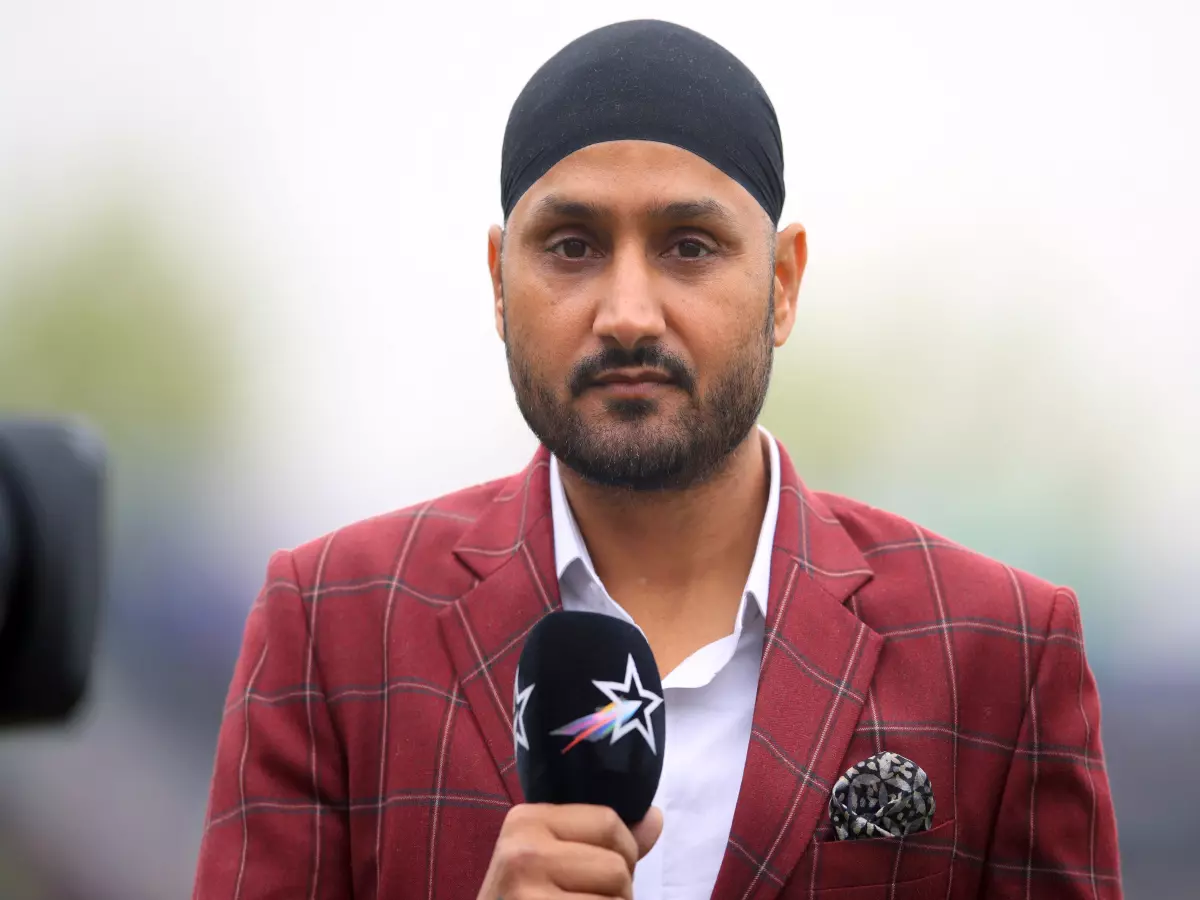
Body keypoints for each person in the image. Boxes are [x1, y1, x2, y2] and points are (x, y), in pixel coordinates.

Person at [192, 19, 1122, 900]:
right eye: (571, 246)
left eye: (689, 246)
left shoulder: (998, 649)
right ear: (498, 284)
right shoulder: (333, 626)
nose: (628, 311)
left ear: (783, 284)